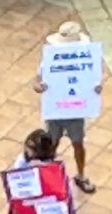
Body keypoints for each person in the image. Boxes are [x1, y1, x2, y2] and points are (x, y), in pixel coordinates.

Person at [33, 22, 102, 194]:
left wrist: (95, 89)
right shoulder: (50, 59)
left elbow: (93, 79)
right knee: (51, 144)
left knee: (78, 144)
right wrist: (39, 87)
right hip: (56, 111)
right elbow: (37, 80)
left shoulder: (84, 57)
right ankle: (49, 177)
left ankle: (81, 175)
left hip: (75, 111)